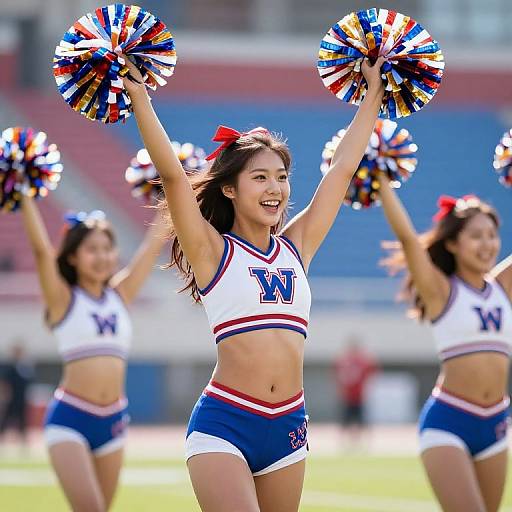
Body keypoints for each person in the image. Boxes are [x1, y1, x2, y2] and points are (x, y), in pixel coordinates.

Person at [122, 54, 384, 511]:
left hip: (288, 424)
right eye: (259, 177)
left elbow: (342, 169)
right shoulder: (213, 251)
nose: (275, 189)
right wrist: (140, 97)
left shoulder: (295, 246)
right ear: (229, 188)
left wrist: (374, 95)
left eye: (281, 178)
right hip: (226, 421)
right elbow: (174, 179)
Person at [19, 196, 167, 511]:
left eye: (107, 248)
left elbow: (153, 244)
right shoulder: (63, 300)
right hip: (71, 417)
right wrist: (23, 194)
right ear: (72, 257)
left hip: (113, 420)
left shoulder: (121, 294)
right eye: (91, 250)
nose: (102, 257)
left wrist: (173, 185)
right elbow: (42, 253)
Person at [378, 177, 512, 512]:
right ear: (452, 244)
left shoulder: (502, 287)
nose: (487, 244)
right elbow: (409, 240)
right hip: (449, 421)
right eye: (476, 236)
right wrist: (379, 181)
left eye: (492, 235)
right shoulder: (442, 291)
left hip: (496, 421)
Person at [334, 338, 377, 443]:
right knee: (347, 420)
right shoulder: (347, 361)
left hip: (358, 396)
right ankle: (345, 441)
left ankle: (361, 441)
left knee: (361, 420)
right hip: (349, 395)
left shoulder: (351, 361)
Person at [0, 342, 34, 444]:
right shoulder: (9, 367)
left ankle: (24, 441)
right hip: (12, 398)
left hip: (22, 398)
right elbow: (4, 382)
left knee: (23, 419)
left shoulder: (25, 367)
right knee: (6, 419)